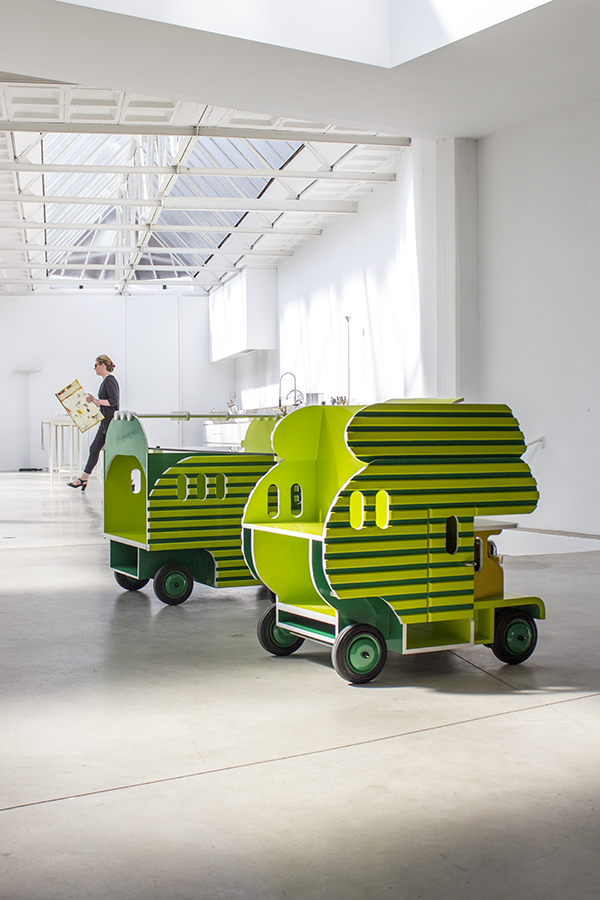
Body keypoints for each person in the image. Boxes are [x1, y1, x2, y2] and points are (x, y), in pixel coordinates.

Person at [67, 355, 120, 491]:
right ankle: (83, 479)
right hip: (105, 423)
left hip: (110, 423)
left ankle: (129, 480)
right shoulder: (106, 381)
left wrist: (97, 401)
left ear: (103, 365)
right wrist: (95, 404)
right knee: (95, 449)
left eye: (95, 365)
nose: (94, 368)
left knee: (112, 451)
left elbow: (113, 401)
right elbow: (108, 402)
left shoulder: (110, 380)